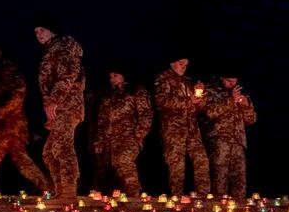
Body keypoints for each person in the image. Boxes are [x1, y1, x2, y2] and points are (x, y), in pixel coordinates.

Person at [0, 47, 50, 193]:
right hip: (5, 126)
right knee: (20, 160)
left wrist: (0, 111)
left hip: (10, 126)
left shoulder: (8, 73)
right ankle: (47, 188)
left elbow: (19, 93)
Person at [36, 21, 84, 202]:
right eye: (36, 32)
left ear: (52, 29)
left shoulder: (64, 48)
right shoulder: (51, 51)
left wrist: (54, 100)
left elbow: (68, 76)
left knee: (62, 147)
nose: (38, 34)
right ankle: (61, 191)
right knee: (49, 152)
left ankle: (69, 192)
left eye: (42, 29)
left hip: (67, 105)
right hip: (59, 108)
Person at [93, 63, 152, 196]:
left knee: (124, 162)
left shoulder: (136, 91)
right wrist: (99, 141)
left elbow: (145, 114)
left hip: (128, 137)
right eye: (110, 77)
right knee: (111, 169)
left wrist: (139, 134)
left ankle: (134, 195)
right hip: (109, 140)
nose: (112, 79)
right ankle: (118, 198)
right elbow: (102, 121)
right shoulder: (108, 96)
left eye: (115, 75)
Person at [154, 57, 210, 196]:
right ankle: (176, 198)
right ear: (172, 63)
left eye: (186, 64)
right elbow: (161, 101)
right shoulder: (163, 79)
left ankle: (203, 197)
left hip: (192, 130)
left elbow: (199, 108)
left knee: (202, 160)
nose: (184, 67)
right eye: (181, 63)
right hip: (173, 130)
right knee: (176, 166)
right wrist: (188, 100)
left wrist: (201, 94)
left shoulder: (188, 81)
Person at [204, 71, 256, 198]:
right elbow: (210, 113)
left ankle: (240, 208)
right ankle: (218, 208)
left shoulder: (241, 92)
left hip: (238, 142)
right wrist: (231, 100)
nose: (232, 84)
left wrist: (246, 106)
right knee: (219, 181)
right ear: (222, 78)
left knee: (239, 182)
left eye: (234, 81)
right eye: (228, 81)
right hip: (220, 142)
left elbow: (251, 119)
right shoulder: (211, 90)